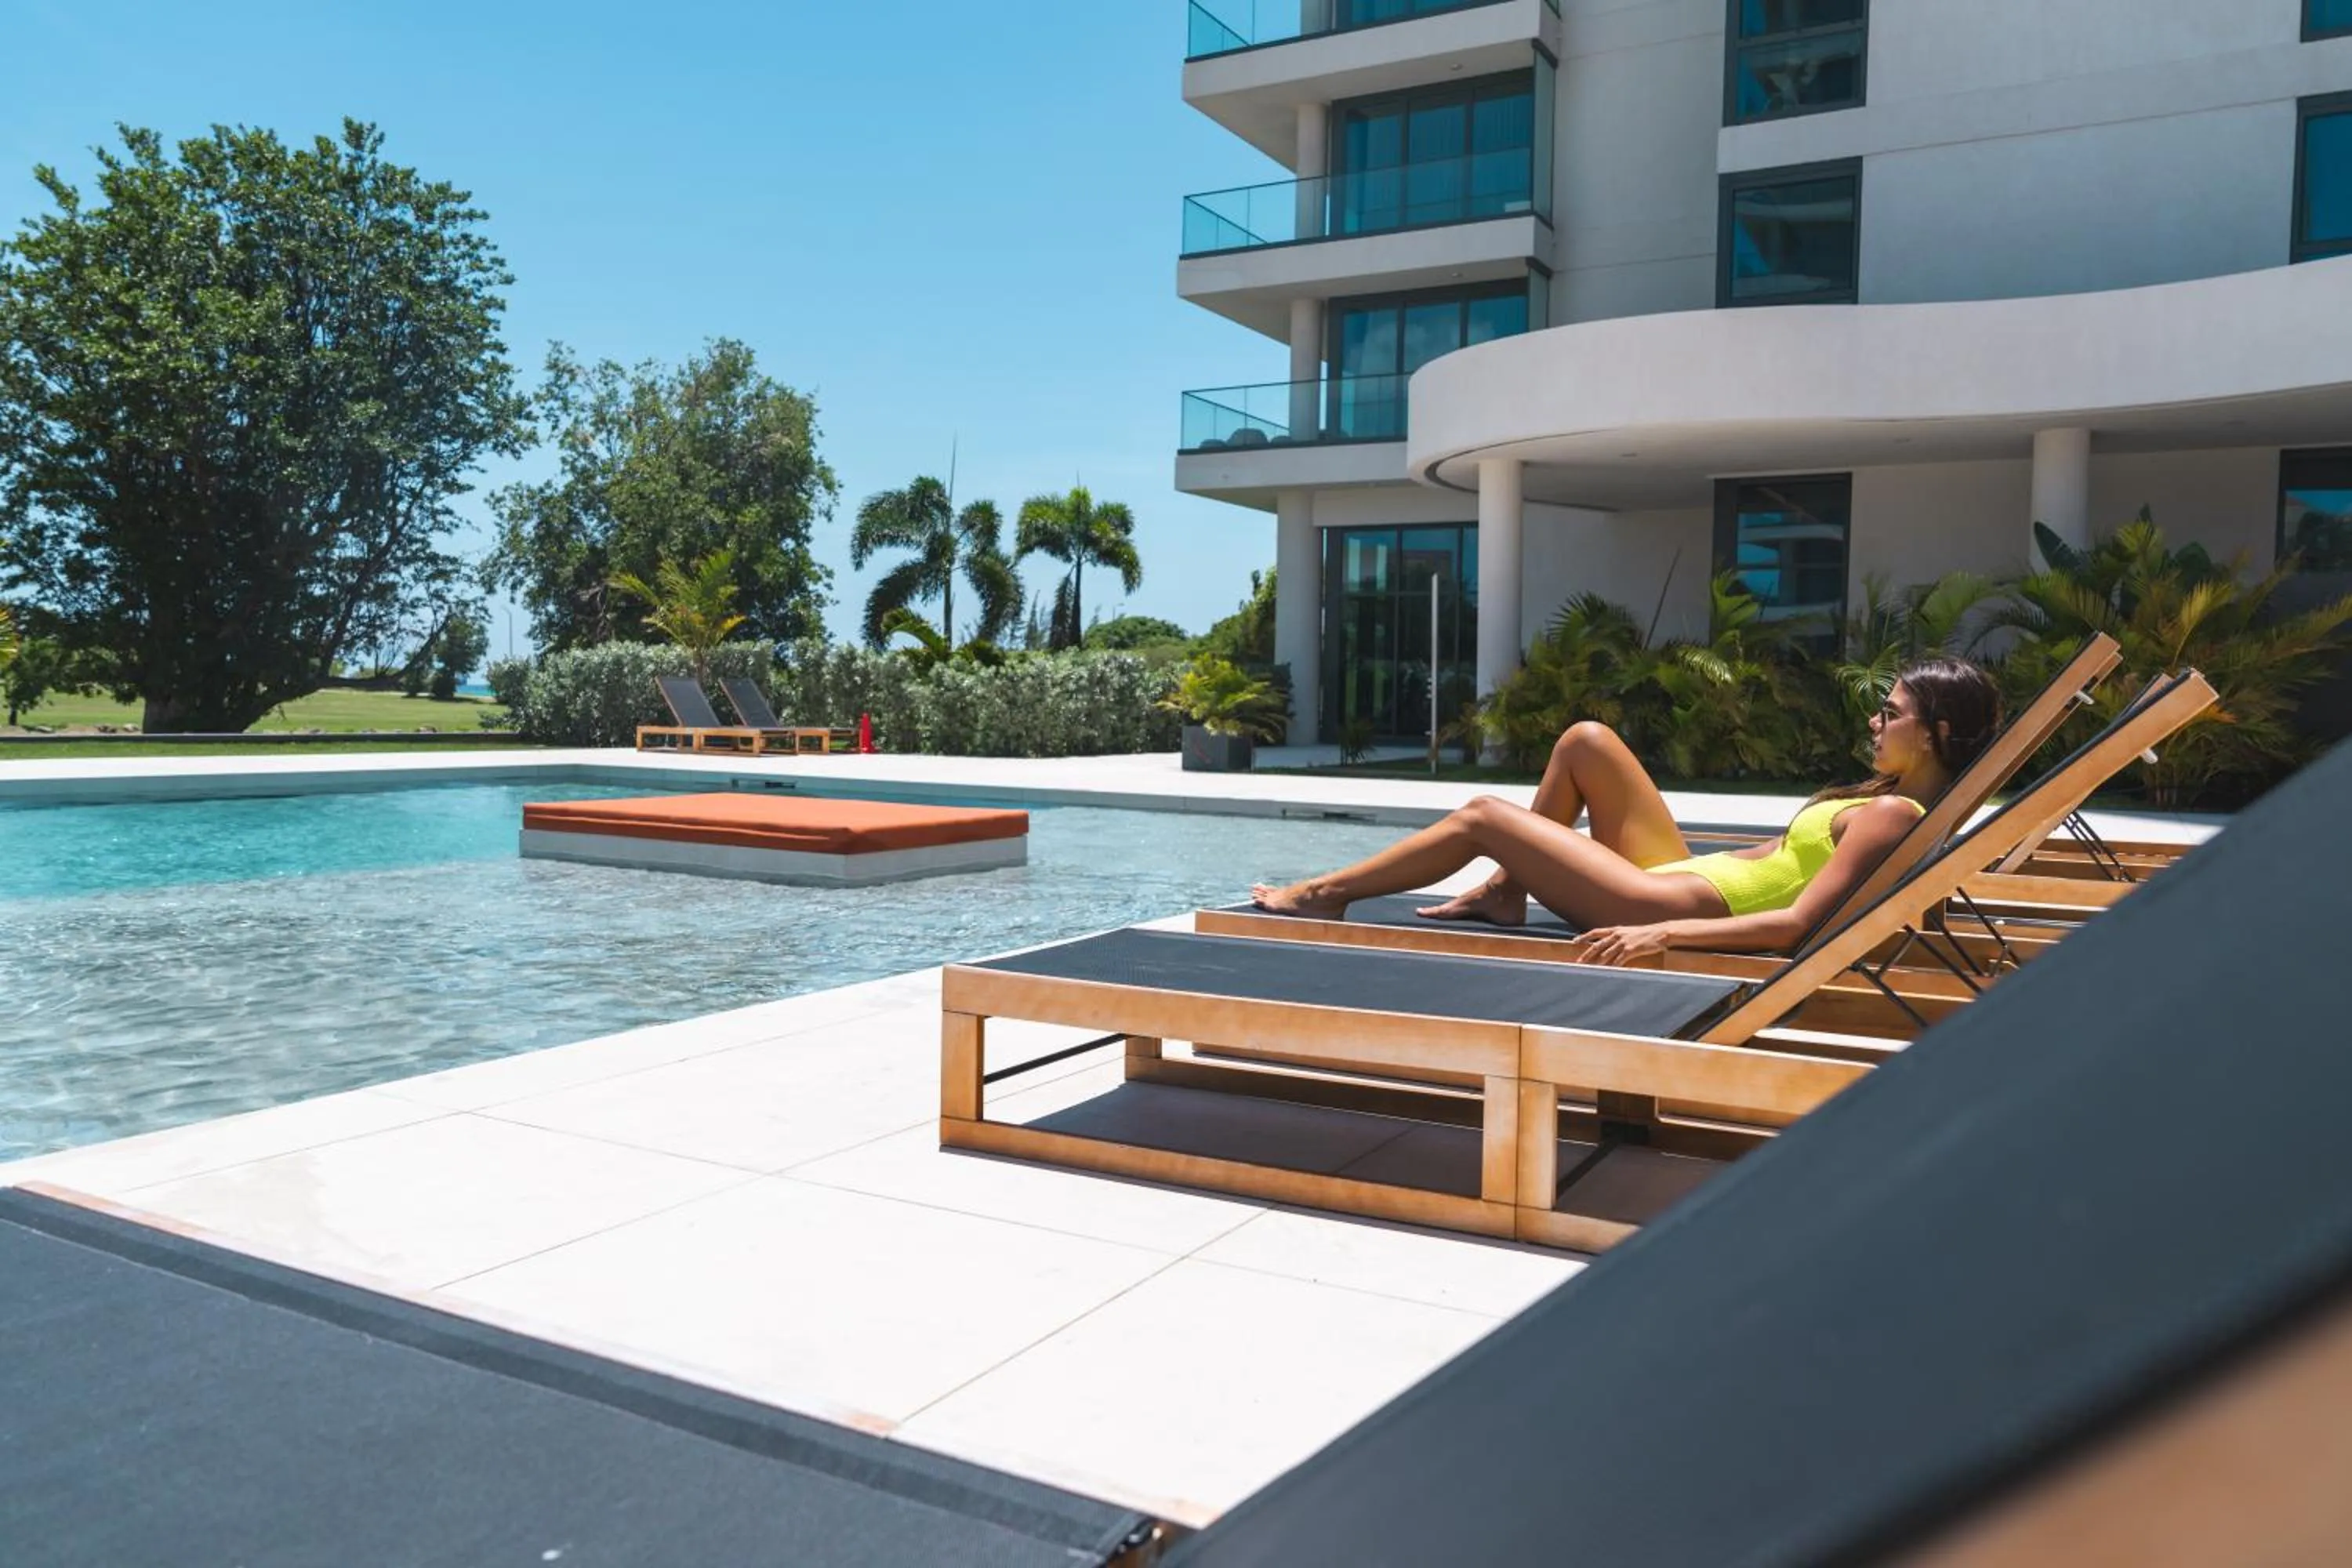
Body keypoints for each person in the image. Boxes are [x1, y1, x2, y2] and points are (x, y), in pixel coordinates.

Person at [1251, 658, 2005, 967]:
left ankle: (1324, 893)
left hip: (1663, 901)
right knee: (1587, 741)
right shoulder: (1887, 803)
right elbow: (1783, 866)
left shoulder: (1894, 816)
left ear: (1936, 734)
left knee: (1483, 812)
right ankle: (1507, 891)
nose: (1875, 723)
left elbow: (1796, 925)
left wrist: (1662, 929)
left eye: (1890, 713)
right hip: (1683, 874)